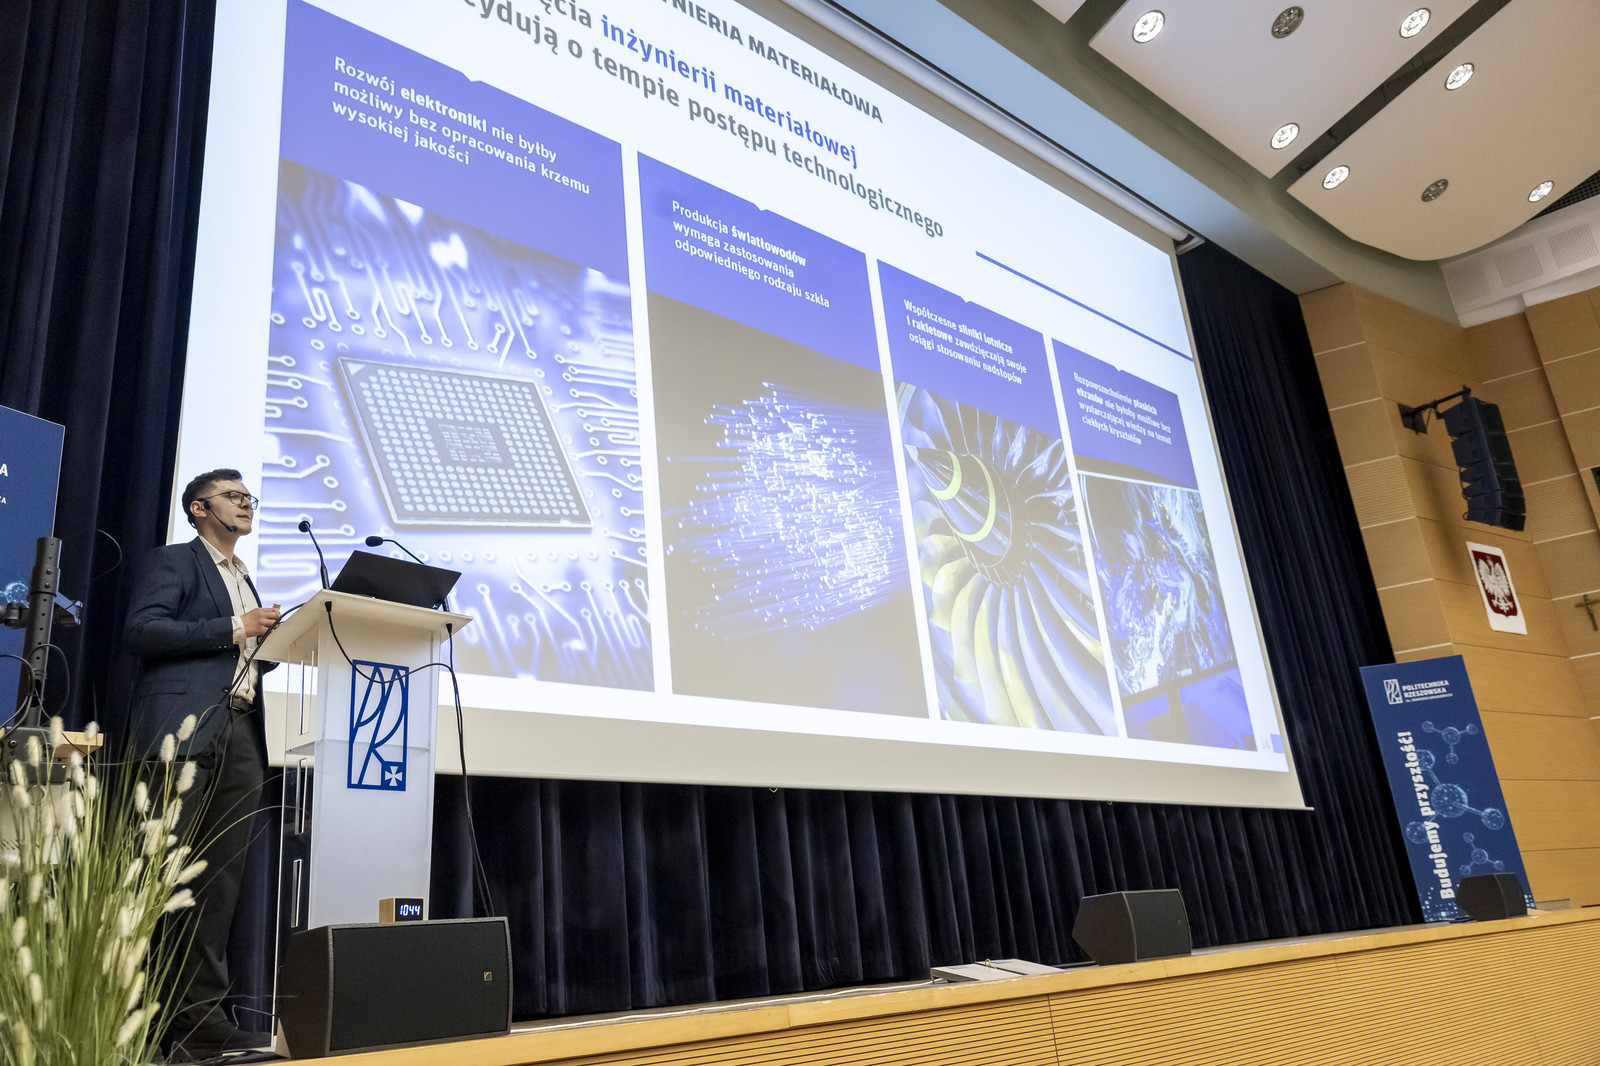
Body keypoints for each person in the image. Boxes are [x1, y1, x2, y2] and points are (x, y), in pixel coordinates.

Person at [123, 468, 281, 1059]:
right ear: (198, 508)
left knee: (217, 883)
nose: (245, 505)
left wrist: (275, 644)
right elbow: (143, 631)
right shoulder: (175, 561)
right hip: (181, 731)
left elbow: (243, 652)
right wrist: (237, 627)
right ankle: (127, 1016)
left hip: (241, 731)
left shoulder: (245, 577)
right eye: (232, 497)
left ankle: (202, 1022)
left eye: (248, 497)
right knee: (154, 873)